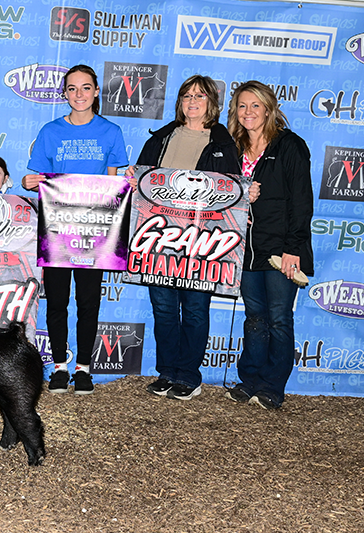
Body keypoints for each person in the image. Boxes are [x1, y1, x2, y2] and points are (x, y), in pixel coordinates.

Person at [127, 75, 241, 400]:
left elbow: (232, 194)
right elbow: (144, 183)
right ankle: (167, 371)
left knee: (194, 309)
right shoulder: (160, 138)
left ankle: (189, 375)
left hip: (202, 240)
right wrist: (135, 182)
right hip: (159, 237)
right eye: (187, 95)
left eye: (200, 96)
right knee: (163, 307)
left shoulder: (223, 144)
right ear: (180, 102)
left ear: (212, 104)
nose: (193, 101)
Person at [22, 64, 128, 395]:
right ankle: (58, 366)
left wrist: (124, 185)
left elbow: (112, 181)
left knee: (88, 302)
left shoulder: (111, 132)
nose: (79, 94)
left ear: (96, 92)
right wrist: (30, 181)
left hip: (95, 231)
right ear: (64, 93)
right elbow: (36, 177)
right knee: (56, 301)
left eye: (85, 88)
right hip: (57, 230)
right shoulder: (50, 131)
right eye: (72, 88)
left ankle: (83, 367)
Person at [224, 80, 313, 410]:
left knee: (278, 318)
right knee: (255, 317)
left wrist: (295, 248)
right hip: (245, 248)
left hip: (281, 249)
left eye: (255, 106)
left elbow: (302, 201)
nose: (248, 112)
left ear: (269, 109)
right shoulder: (233, 148)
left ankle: (273, 385)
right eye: (242, 106)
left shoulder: (289, 145)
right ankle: (249, 380)